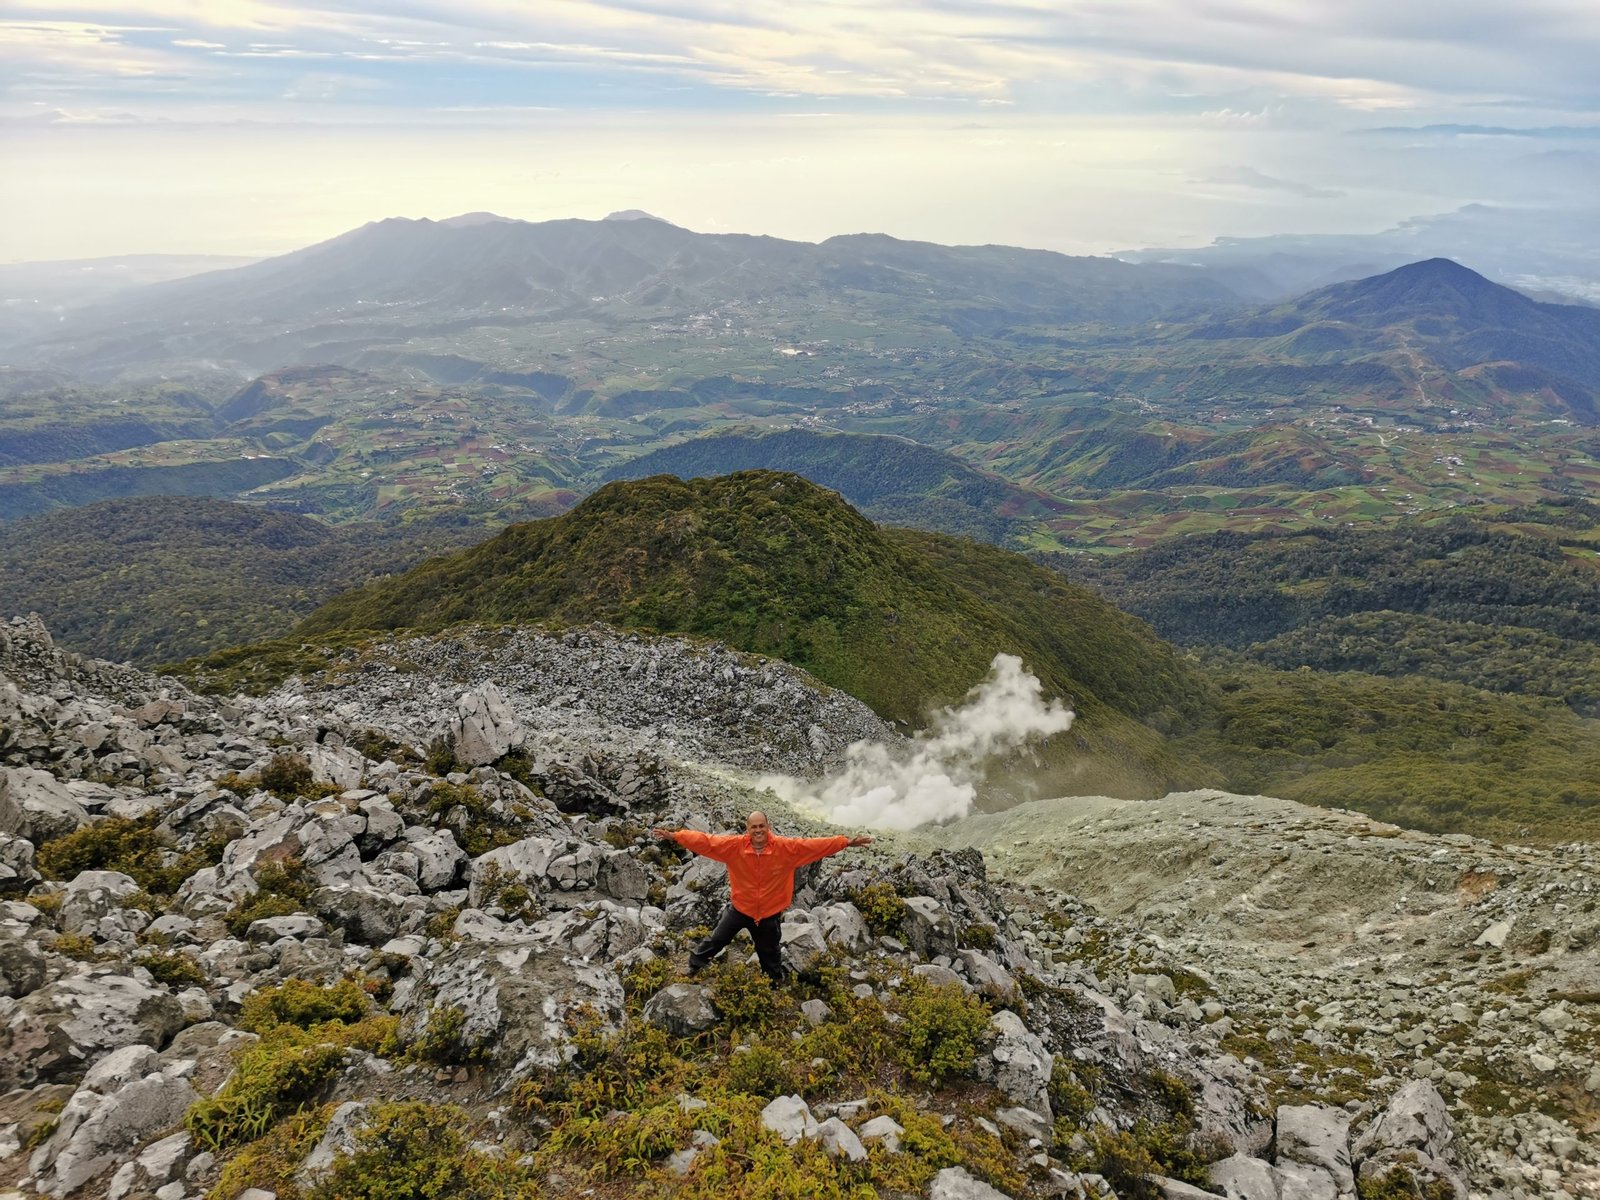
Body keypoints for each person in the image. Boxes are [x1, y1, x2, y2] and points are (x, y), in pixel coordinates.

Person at [652, 810, 872, 982]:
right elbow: (706, 841)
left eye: (762, 826)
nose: (758, 830)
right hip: (740, 908)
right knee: (717, 939)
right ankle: (694, 965)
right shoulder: (734, 846)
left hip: (769, 913)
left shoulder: (786, 848)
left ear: (769, 827)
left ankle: (774, 983)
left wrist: (846, 842)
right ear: (748, 829)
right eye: (753, 827)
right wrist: (676, 836)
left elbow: (814, 845)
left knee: (770, 952)